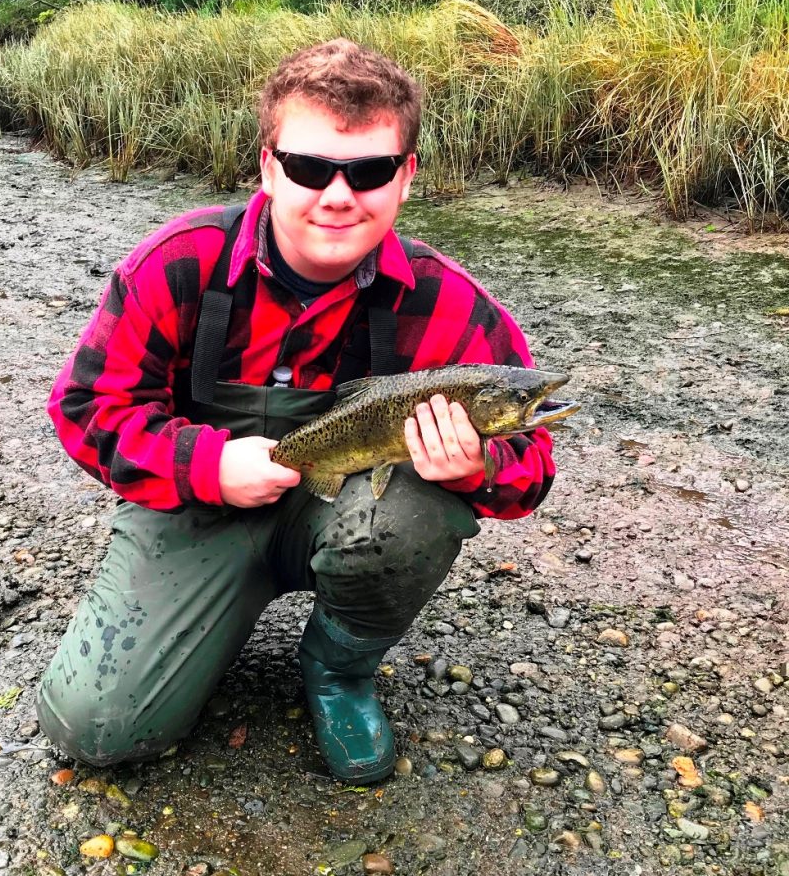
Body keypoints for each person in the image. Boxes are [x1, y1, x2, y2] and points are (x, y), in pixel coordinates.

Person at [36, 39, 556, 784]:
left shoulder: (452, 306)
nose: (339, 195)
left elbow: (532, 469)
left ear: (406, 177)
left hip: (345, 506)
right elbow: (85, 407)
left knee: (424, 512)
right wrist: (206, 463)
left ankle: (338, 668)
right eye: (311, 168)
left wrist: (479, 466)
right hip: (198, 507)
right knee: (98, 730)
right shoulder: (179, 262)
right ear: (269, 166)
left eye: (370, 170)